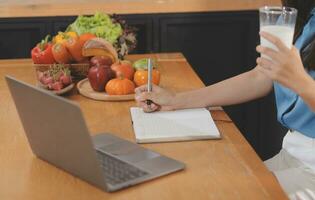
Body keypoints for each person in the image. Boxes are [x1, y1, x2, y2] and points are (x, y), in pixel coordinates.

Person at [135, 1, 315, 199]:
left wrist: (300, 81)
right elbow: (261, 76)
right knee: (201, 187)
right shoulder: (303, 11)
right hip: (291, 153)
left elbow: (291, 79)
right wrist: (176, 100)